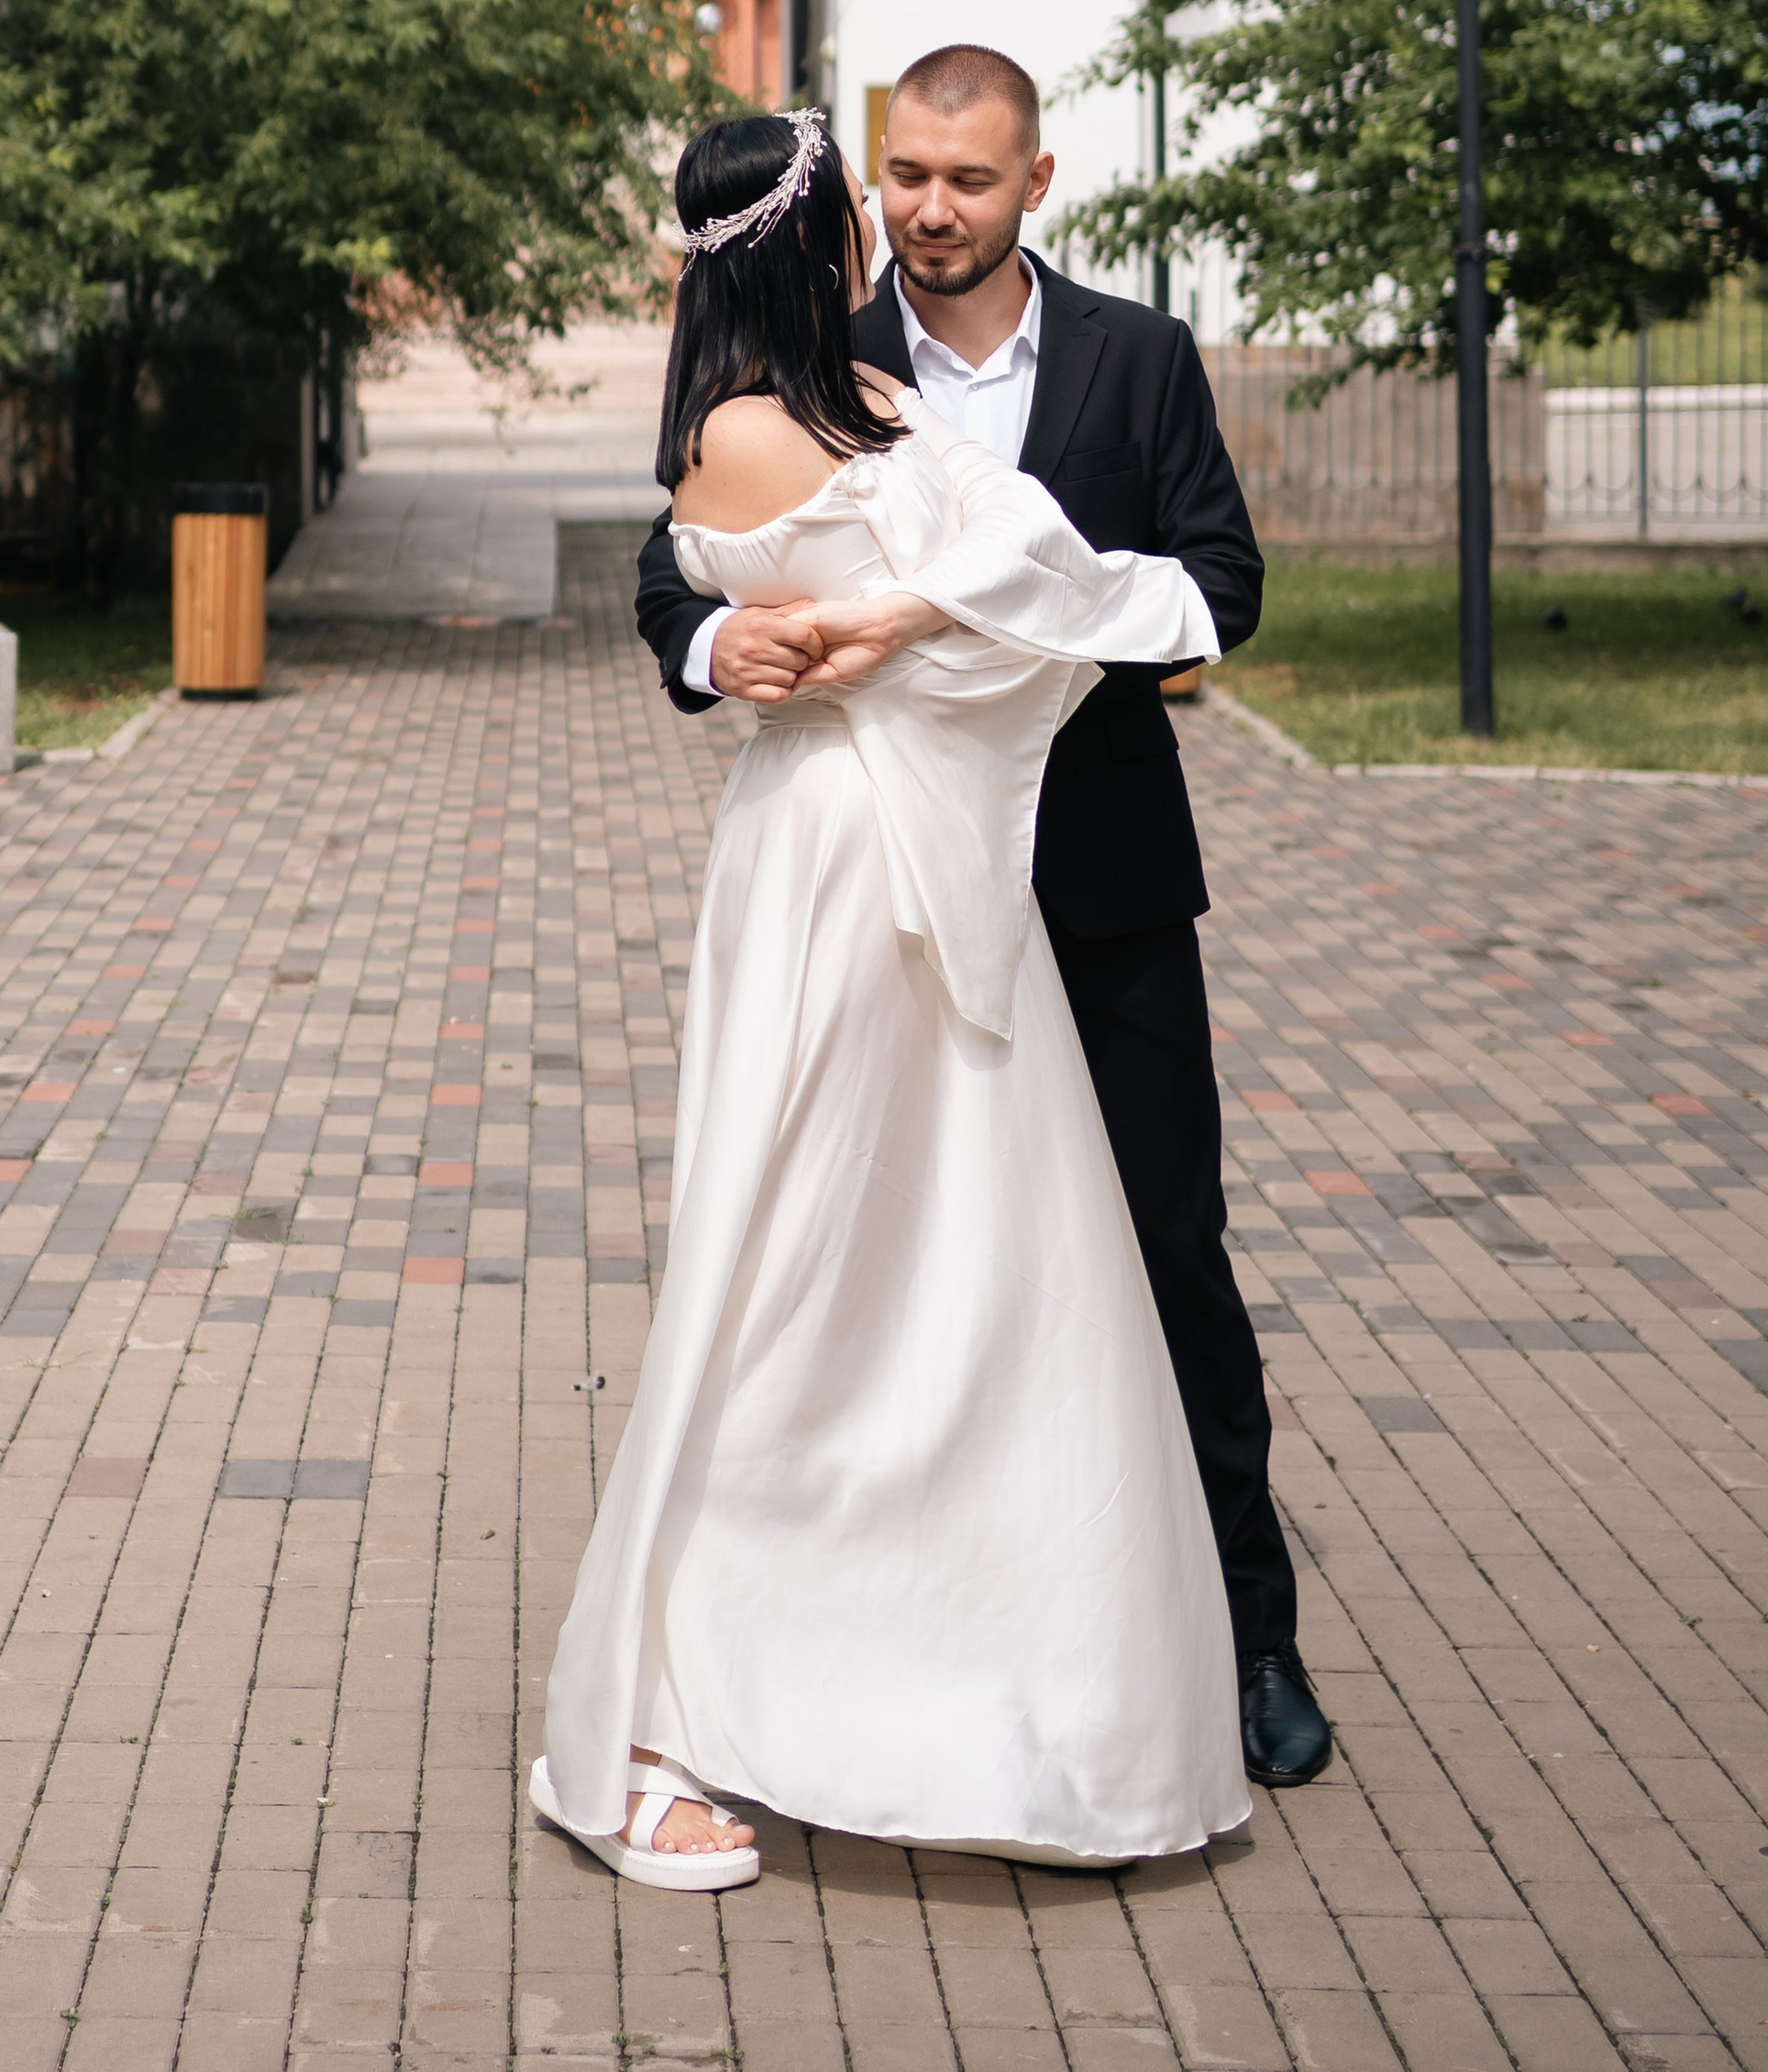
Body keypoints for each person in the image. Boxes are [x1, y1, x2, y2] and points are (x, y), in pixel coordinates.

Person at [532, 104, 1248, 1886]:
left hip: (1016, 880)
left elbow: (1110, 584)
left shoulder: (1073, 367)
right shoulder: (791, 413)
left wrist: (904, 621)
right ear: (830, 227)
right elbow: (710, 576)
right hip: (853, 875)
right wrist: (734, 637)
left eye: (952, 179)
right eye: (881, 188)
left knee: (1043, 1278)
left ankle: (1083, 1669)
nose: (912, 214)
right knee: (812, 1276)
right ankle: (671, 1693)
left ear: (1029, 180)